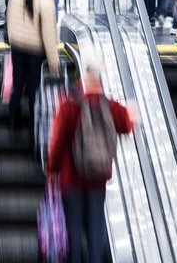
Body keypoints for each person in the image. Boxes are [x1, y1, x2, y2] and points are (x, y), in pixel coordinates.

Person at [47, 60, 133, 263]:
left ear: (82, 82)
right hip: (99, 176)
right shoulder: (111, 107)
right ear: (100, 84)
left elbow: (57, 143)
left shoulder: (69, 106)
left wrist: (52, 169)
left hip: (71, 177)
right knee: (96, 222)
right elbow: (126, 126)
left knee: (74, 225)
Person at [7, 0, 59, 131]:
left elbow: (9, 16)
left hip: (16, 46)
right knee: (33, 88)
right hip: (35, 51)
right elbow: (49, 34)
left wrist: (11, 37)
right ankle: (33, 125)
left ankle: (13, 123)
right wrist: (53, 61)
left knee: (17, 84)